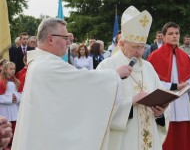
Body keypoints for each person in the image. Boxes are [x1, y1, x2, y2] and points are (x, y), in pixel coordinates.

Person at [12, 17, 132, 150]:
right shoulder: (47, 65)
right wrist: (115, 75)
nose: (68, 42)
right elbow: (83, 81)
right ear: (50, 39)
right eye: (65, 38)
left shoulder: (41, 63)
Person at [97, 6, 170, 150]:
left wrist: (160, 113)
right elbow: (99, 105)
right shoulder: (108, 66)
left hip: (149, 135)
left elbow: (161, 96)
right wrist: (132, 101)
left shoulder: (148, 67)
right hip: (123, 139)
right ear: (122, 44)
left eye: (142, 47)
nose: (140, 52)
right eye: (135, 47)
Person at [148, 22, 190, 150]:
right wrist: (174, 86)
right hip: (166, 102)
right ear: (163, 37)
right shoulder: (155, 56)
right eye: (170, 34)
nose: (174, 36)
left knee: (182, 138)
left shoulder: (184, 56)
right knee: (167, 137)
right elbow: (152, 82)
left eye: (176, 33)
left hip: (181, 102)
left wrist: (187, 86)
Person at [0, 62, 22, 148]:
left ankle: (14, 145)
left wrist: (17, 98)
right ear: (5, 70)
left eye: (14, 69)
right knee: (6, 128)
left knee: (15, 129)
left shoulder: (16, 82)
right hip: (4, 110)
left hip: (14, 109)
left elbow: (20, 94)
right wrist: (9, 99)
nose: (13, 71)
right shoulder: (1, 82)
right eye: (11, 69)